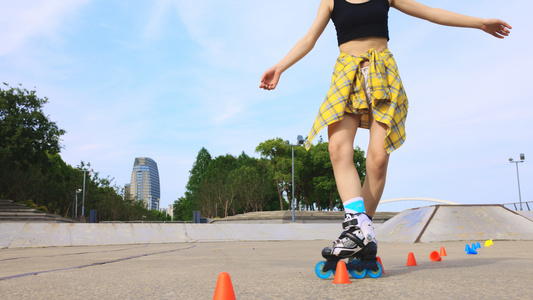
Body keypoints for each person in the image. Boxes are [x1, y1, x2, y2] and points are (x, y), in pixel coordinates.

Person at [259, 0, 511, 275]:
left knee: (378, 159)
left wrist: (480, 23)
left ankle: (360, 234)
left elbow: (431, 13)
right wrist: (280, 66)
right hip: (346, 73)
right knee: (337, 148)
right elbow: (309, 38)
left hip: (383, 73)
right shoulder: (330, 1)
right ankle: (359, 229)